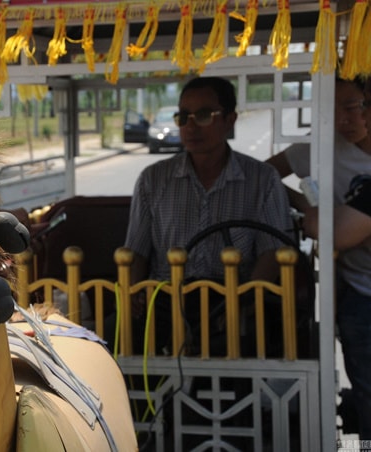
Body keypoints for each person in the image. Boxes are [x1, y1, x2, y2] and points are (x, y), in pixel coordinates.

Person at [125, 76, 293, 355]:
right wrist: (132, 294)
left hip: (233, 298)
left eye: (203, 115)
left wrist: (242, 301)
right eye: (183, 117)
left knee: (265, 342)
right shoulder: (152, 180)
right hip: (166, 299)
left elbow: (273, 253)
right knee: (107, 339)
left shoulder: (262, 180)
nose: (190, 126)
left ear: (230, 120)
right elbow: (135, 253)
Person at [301, 81, 371, 441]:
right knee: (365, 394)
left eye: (352, 106)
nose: (342, 119)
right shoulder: (324, 151)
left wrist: (315, 216)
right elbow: (264, 173)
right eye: (330, 109)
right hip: (360, 294)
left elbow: (335, 231)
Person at [266, 77, 370, 210]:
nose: (339, 120)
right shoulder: (321, 144)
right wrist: (304, 204)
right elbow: (263, 173)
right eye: (330, 110)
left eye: (350, 108)